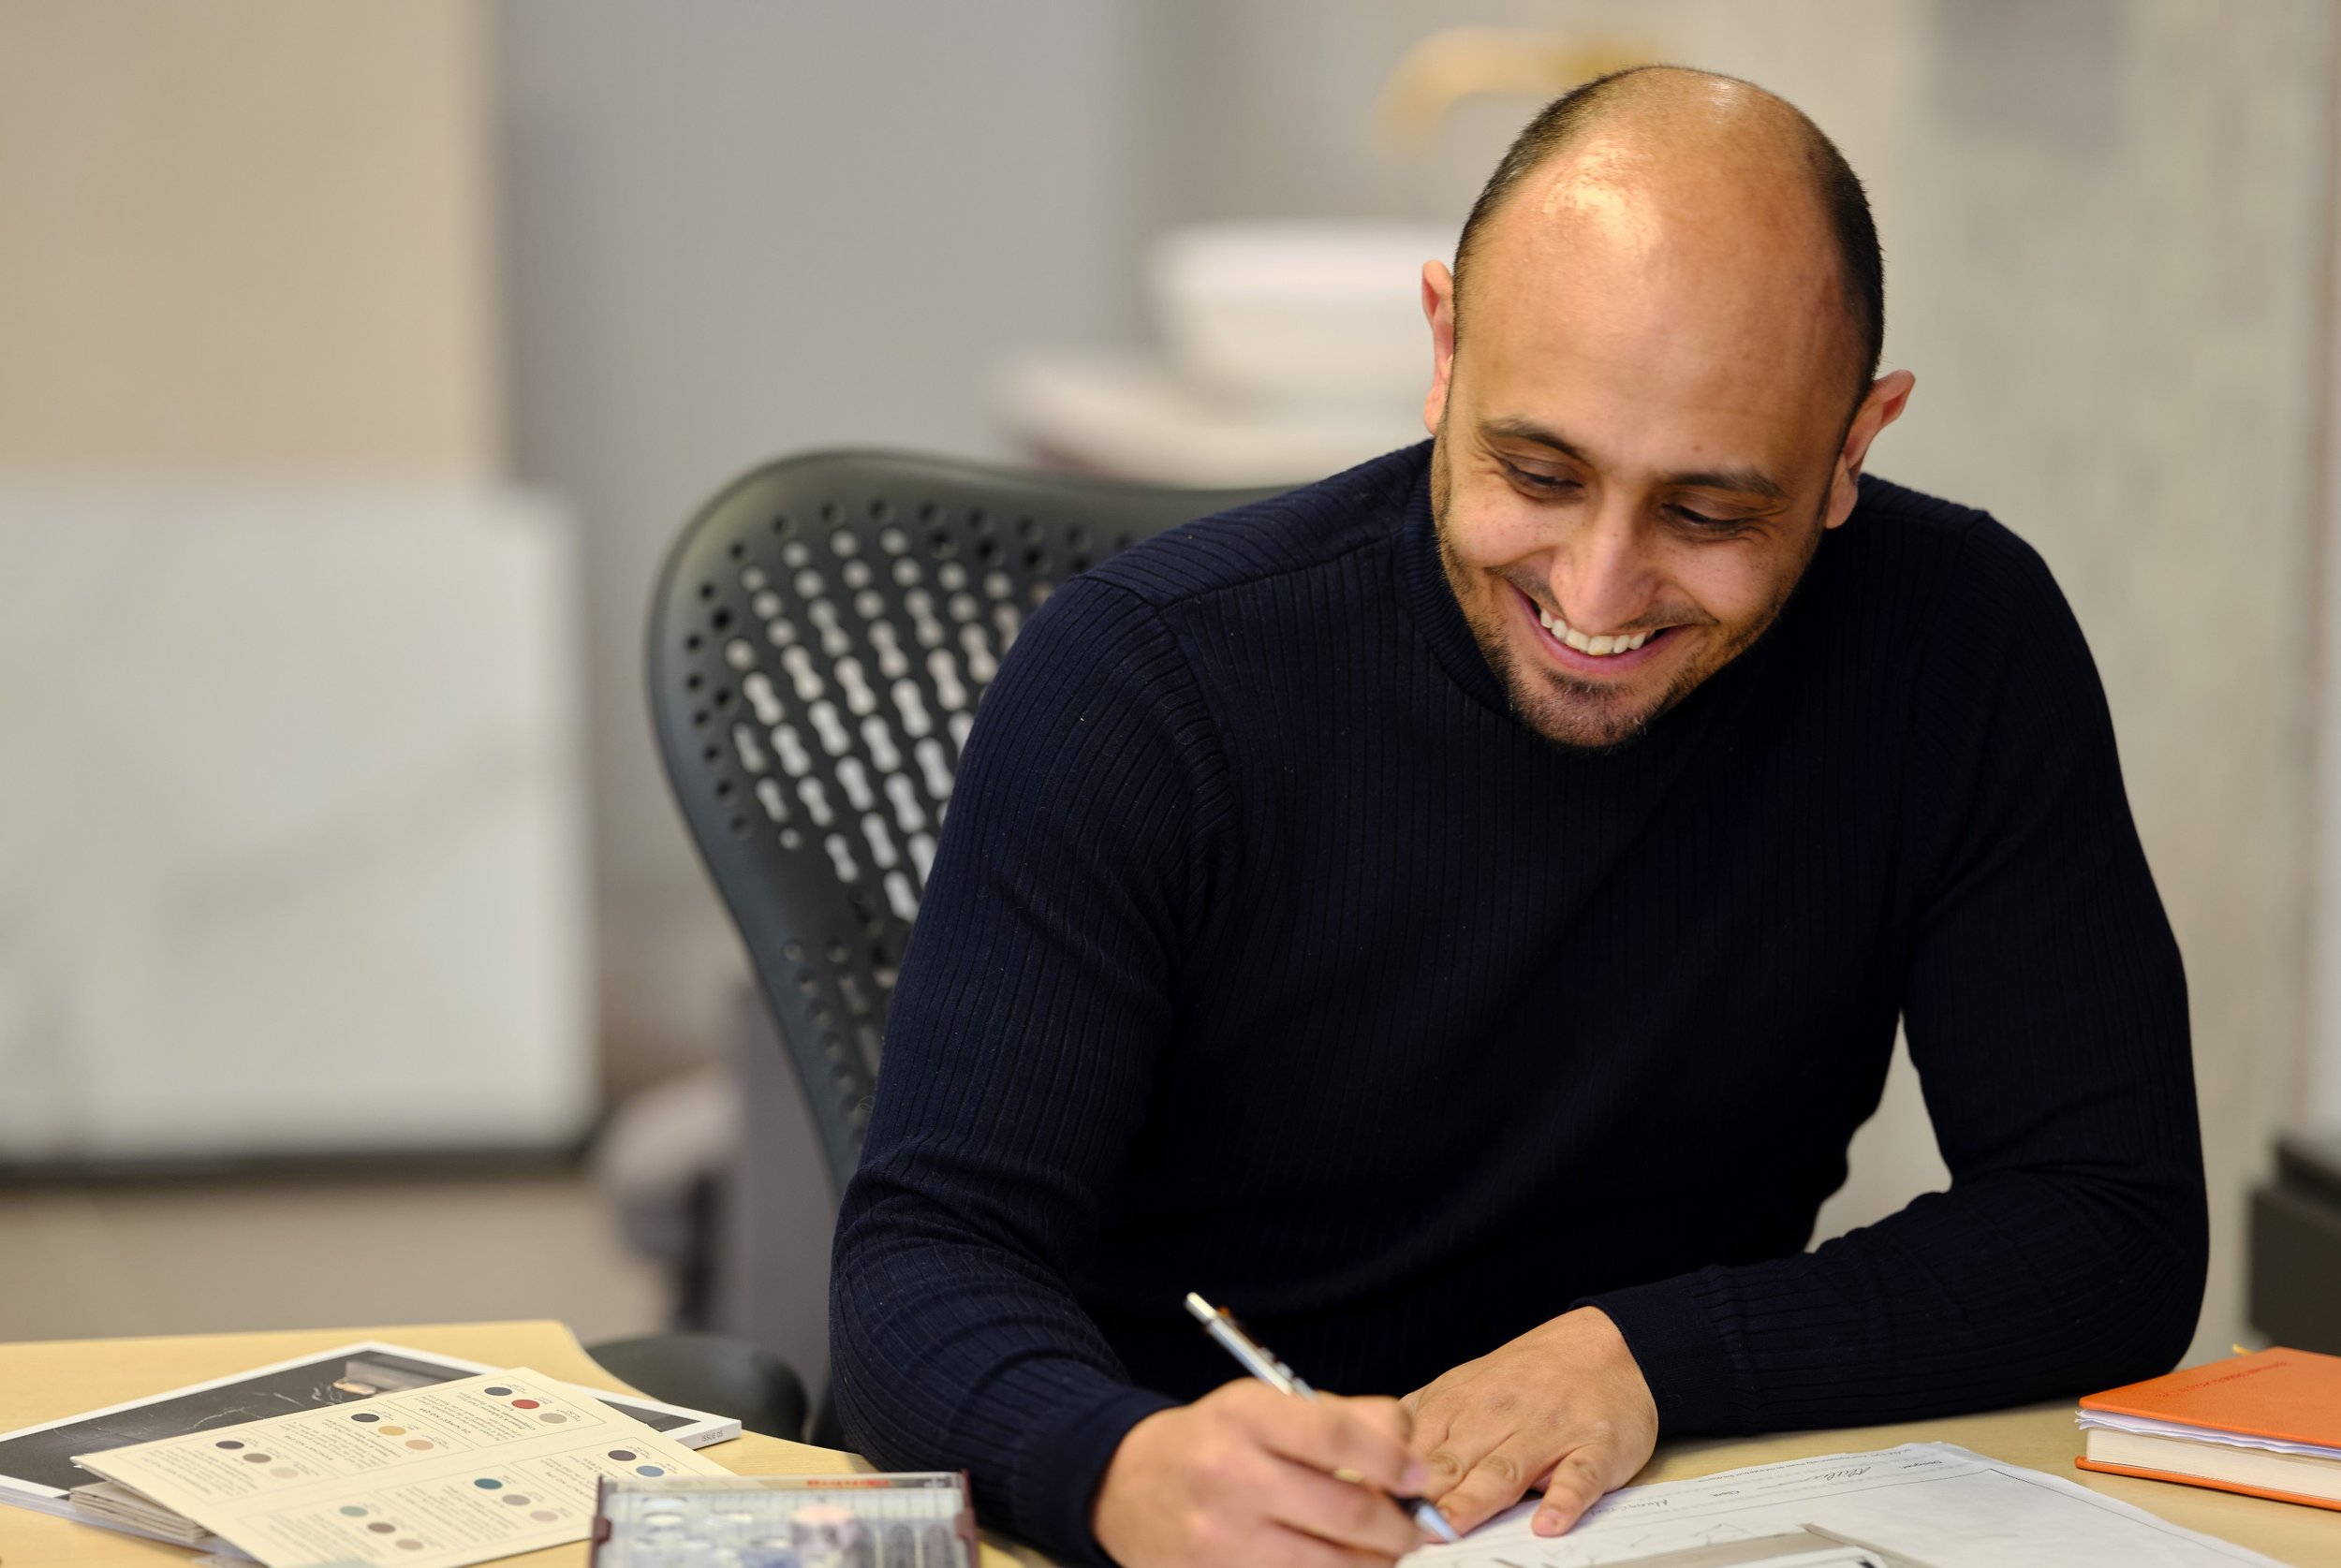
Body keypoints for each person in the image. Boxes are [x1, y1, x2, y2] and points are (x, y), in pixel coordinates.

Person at [830, 66, 2205, 1568]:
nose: (1596, 594)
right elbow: (922, 1266)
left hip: (1651, 1519)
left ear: (1852, 447)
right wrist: (1118, 1467)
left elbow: (2109, 1224)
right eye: (1535, 473)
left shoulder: (1956, 650)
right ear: (1443, 352)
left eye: (1708, 514)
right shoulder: (1147, 681)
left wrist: (1649, 1356)